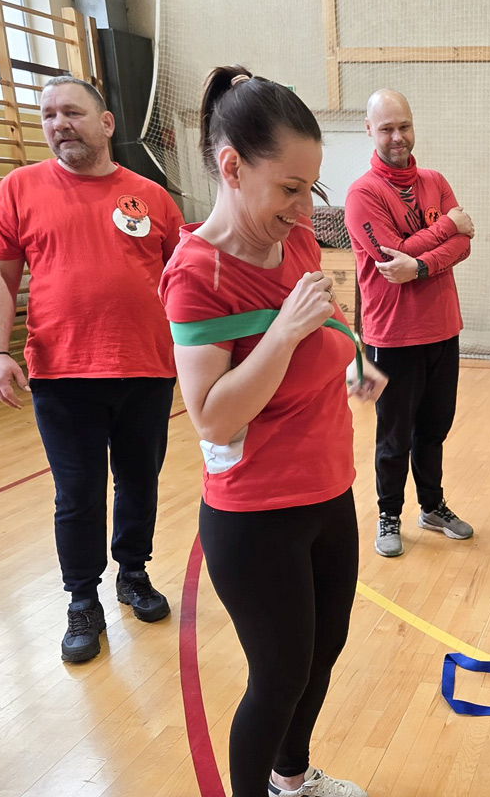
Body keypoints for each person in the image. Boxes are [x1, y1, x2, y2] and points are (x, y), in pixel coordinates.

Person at [160, 66, 386, 797]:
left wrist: (353, 360)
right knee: (279, 675)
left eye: (310, 188)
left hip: (329, 490)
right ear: (231, 167)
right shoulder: (197, 274)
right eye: (289, 188)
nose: (303, 208)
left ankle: (293, 779)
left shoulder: (295, 238)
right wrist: (285, 334)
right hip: (256, 516)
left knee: (323, 653)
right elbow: (214, 414)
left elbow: (321, 315)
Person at [0, 75, 182, 663]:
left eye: (71, 111)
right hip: (62, 373)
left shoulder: (151, 196)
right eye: (48, 115)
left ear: (106, 123)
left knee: (140, 481)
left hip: (147, 368)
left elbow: (185, 278)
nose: (58, 123)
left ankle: (133, 573)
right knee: (78, 494)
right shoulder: (19, 188)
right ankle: (82, 599)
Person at [344, 88, 475, 558]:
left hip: (443, 328)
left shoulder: (435, 181)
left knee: (434, 428)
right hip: (393, 336)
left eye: (404, 126)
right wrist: (448, 227)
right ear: (369, 130)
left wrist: (419, 266)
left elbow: (464, 246)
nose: (397, 137)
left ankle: (432, 507)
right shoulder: (362, 194)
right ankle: (389, 514)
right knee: (394, 435)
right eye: (387, 129)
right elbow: (389, 256)